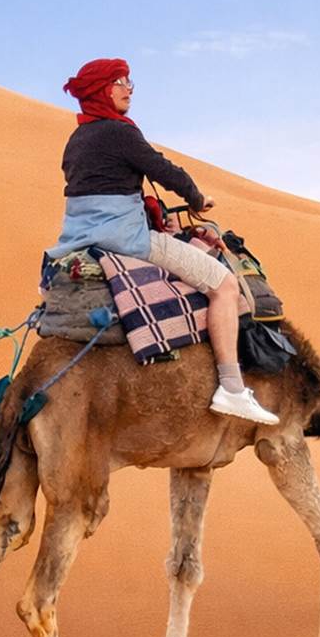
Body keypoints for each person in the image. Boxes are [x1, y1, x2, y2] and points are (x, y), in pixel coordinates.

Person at [46, 57, 278, 426]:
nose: (129, 89)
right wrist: (197, 199)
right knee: (224, 285)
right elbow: (163, 169)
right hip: (125, 239)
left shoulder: (77, 139)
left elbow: (108, 188)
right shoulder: (119, 132)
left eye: (128, 81)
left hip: (78, 238)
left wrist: (155, 212)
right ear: (102, 90)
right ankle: (232, 388)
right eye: (120, 82)